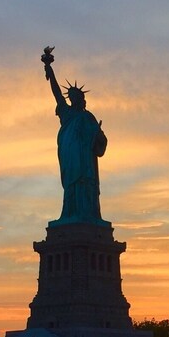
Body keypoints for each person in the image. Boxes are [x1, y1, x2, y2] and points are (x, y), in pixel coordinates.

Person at [42, 49, 109, 225]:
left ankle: (88, 215)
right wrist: (50, 69)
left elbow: (100, 142)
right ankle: (70, 213)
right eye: (72, 97)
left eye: (77, 96)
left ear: (82, 99)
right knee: (71, 186)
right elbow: (57, 94)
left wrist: (98, 136)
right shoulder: (67, 114)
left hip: (85, 160)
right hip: (71, 157)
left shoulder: (88, 117)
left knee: (86, 184)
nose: (75, 99)